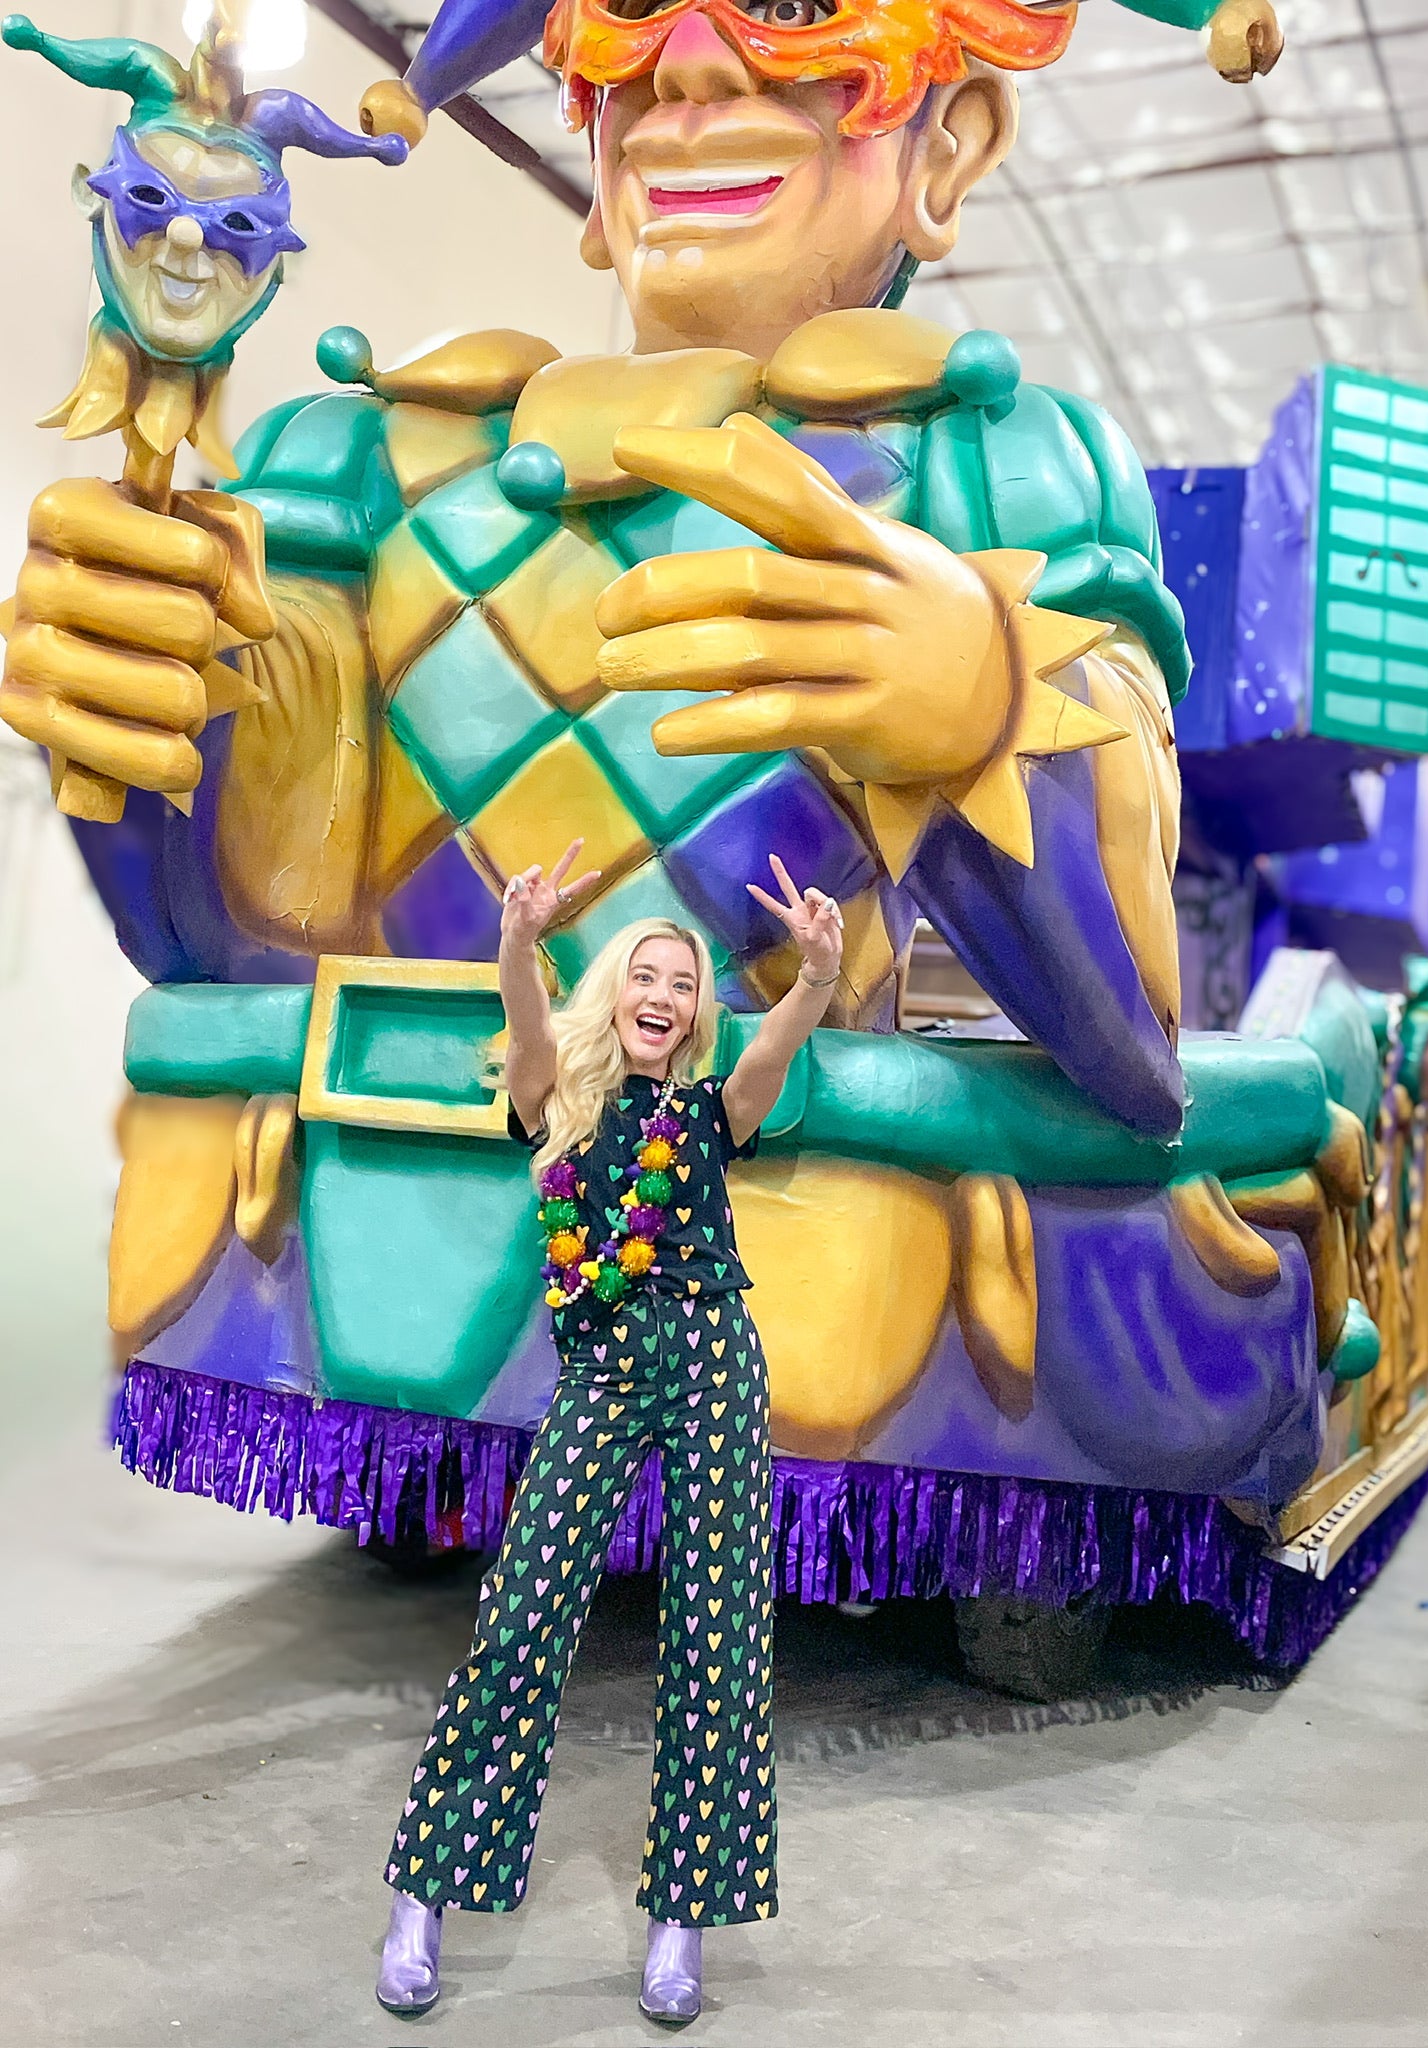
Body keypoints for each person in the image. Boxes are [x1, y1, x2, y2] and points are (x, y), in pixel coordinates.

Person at [377, 837, 844, 2025]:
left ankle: (682, 1925)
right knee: (521, 1615)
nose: (664, 994)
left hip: (715, 1362)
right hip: (604, 1368)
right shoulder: (560, 1099)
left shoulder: (708, 1109)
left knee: (717, 1640)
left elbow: (775, 1051)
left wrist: (816, 977)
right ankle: (425, 1894)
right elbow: (526, 1025)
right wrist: (517, 938)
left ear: (693, 1017)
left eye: (683, 984)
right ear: (615, 993)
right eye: (647, 974)